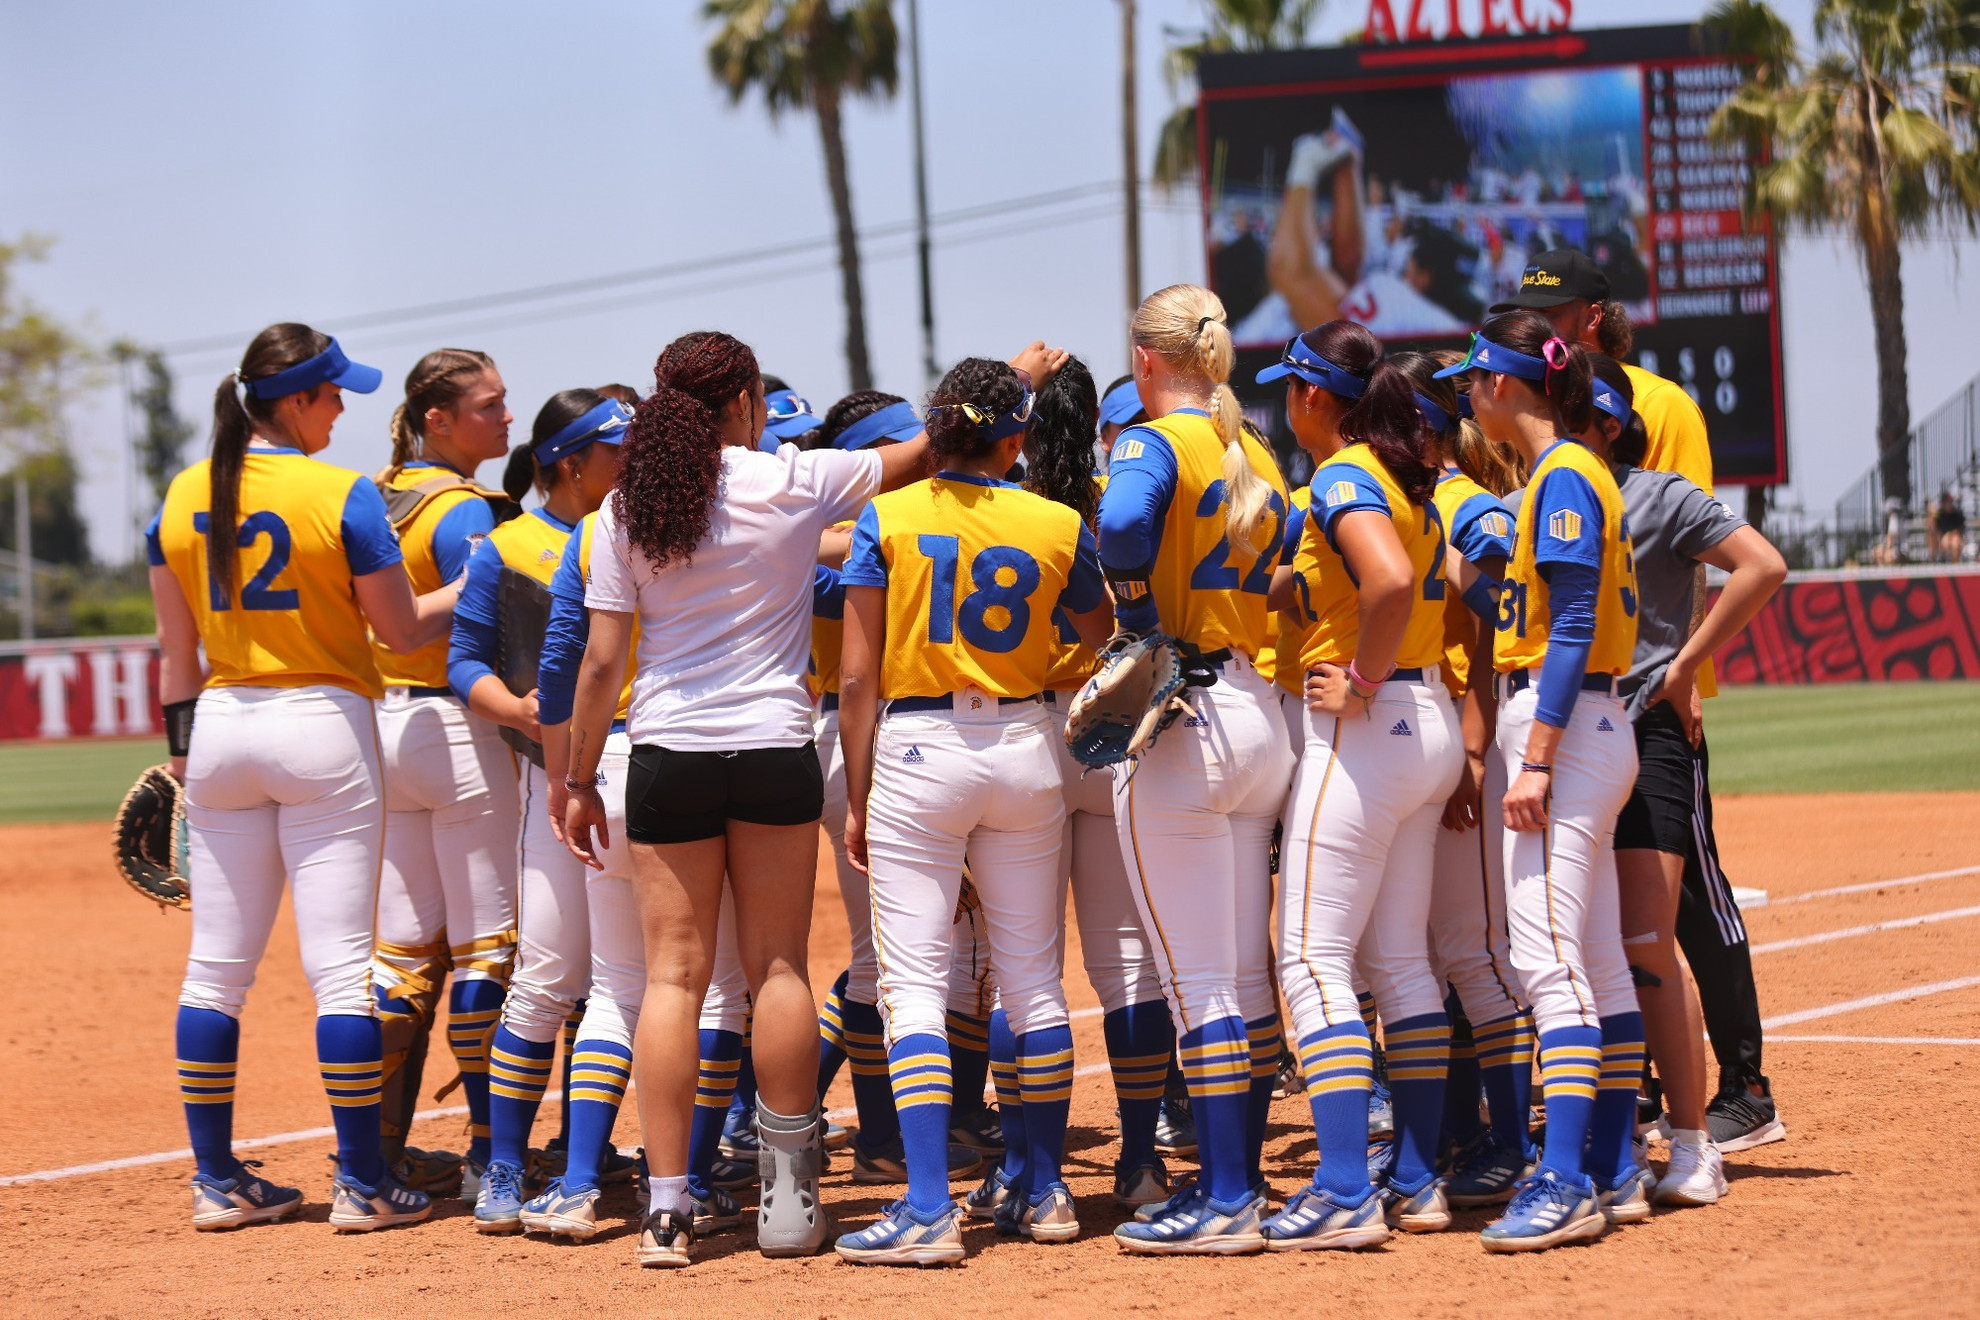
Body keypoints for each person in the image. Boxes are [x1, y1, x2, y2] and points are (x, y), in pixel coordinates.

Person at [560, 330, 938, 1268]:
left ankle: (668, 1206)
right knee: (778, 969)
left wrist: (574, 778)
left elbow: (604, 662)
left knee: (672, 979)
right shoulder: (791, 481)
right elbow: (919, 450)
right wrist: (1015, 377)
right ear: (746, 403)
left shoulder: (622, 511)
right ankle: (788, 1201)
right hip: (773, 744)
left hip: (665, 751)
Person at [147, 324, 458, 1233]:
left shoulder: (181, 491)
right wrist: (470, 578)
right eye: (332, 395)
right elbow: (400, 632)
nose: (342, 409)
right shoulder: (340, 492)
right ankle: (362, 1185)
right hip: (322, 726)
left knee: (214, 974)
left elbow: (175, 661)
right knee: (341, 975)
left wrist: (180, 764)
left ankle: (216, 1183)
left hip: (220, 729)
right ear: (295, 401)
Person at [1495, 252, 1783, 1151]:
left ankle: (1739, 1086)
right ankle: (1637, 1102)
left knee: (1677, 908)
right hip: (1589, 705)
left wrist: (1686, 670)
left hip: (1639, 699)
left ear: (1590, 317)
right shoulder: (1529, 469)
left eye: (1558, 309)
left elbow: (1710, 550)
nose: (1546, 322)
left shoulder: (1656, 410)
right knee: (1610, 925)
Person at [833, 350, 1113, 1265]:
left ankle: (925, 1207)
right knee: (1033, 980)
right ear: (1016, 437)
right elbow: (1099, 635)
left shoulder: (889, 515)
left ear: (937, 427)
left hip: (918, 748)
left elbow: (857, 673)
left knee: (914, 981)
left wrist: (861, 788)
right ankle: (1049, 1188)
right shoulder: (1056, 520)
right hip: (1026, 744)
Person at [1436, 310, 1644, 1252]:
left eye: (1477, 382)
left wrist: (1538, 756)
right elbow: (1533, 608)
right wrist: (1465, 580)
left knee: (1545, 960)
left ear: (1508, 386)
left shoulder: (1560, 473)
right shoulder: (1562, 478)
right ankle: (1614, 1164)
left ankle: (1562, 1179)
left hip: (1564, 723)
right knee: (1594, 955)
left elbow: (1565, 631)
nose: (1471, 397)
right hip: (1592, 718)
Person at [1252, 324, 1463, 1250]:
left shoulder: (1342, 474)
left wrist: (1365, 682)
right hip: (1429, 728)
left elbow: (1388, 580)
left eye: (1289, 391)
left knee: (1308, 959)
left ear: (1313, 398)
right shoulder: (1404, 473)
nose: (1284, 406)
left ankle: (1342, 1188)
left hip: (1368, 727)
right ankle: (1415, 1180)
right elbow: (1420, 580)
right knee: (1400, 964)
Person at [1096, 284, 1295, 1256]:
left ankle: (1225, 1199)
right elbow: (1292, 550)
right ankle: (1243, 1181)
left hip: (1184, 719)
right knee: (1245, 980)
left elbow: (1125, 527)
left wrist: (1138, 622)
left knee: (1200, 985)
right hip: (1259, 709)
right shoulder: (1250, 449)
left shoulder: (1150, 439)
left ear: (1145, 362)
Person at [1576, 357, 1787, 1207]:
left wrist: (1685, 666)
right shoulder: (1531, 501)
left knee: (1641, 944)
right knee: (1587, 946)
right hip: (1572, 732)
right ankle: (1623, 1134)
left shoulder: (1657, 495)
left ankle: (1694, 1142)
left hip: (1642, 731)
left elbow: (1762, 565)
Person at [523, 496, 755, 1245]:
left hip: (615, 758)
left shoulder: (603, 525)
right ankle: (688, 1182)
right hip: (708, 756)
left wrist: (568, 776)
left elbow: (568, 660)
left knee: (619, 988)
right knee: (714, 988)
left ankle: (579, 1184)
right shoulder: (752, 513)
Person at [442, 389, 631, 1232]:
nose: (628, 462)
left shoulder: (644, 528)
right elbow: (464, 661)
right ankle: (505, 1167)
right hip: (550, 784)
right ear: (567, 461)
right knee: (550, 976)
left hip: (637, 770)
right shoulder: (507, 545)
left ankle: (591, 1162)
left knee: (629, 982)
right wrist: (514, 711)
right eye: (613, 449)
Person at [996, 356, 1174, 1217]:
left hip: (1025, 733)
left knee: (1022, 973)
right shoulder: (1131, 499)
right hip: (1114, 733)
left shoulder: (1006, 509)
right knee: (1130, 966)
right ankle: (1140, 1163)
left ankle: (1037, 1179)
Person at [804, 390, 991, 1188]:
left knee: (946, 945)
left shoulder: (899, 528)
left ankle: (948, 1115)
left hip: (909, 742)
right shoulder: (831, 543)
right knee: (885, 953)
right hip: (864, 742)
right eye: (910, 448)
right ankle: (879, 1135)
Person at [367, 349, 523, 1200]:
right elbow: (483, 623)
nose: (506, 418)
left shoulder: (380, 490)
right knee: (486, 950)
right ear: (439, 418)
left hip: (385, 732)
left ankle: (379, 1156)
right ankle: (489, 1157)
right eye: (489, 406)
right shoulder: (464, 512)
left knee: (400, 956)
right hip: (458, 730)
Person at [1407, 356, 1538, 1211]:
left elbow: (1507, 618)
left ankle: (1515, 1138)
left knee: (1476, 951)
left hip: (1460, 743)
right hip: (1430, 742)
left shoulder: (1464, 504)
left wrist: (1479, 737)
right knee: (1420, 957)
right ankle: (1456, 1127)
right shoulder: (1414, 499)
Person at [1934, 488, 1966, 563]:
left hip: (1956, 538)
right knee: (1947, 541)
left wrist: (1953, 533)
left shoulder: (1958, 514)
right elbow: (1937, 529)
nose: (1948, 504)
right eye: (1946, 502)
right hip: (1943, 539)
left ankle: (1955, 566)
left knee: (1955, 542)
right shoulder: (1939, 515)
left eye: (1949, 502)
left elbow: (1961, 529)